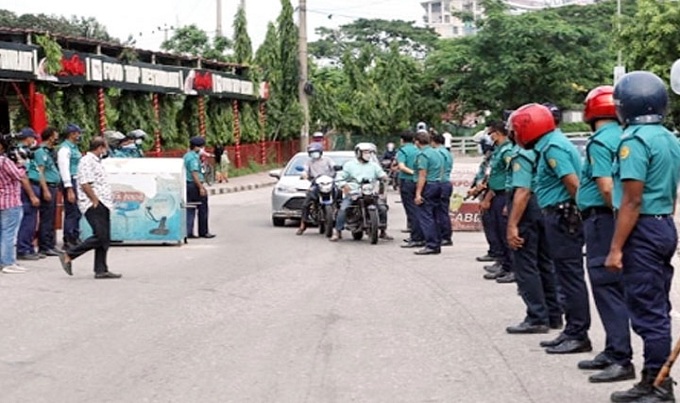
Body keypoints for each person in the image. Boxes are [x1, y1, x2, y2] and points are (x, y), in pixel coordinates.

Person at [605, 71, 680, 402]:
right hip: (663, 224)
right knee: (657, 306)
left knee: (648, 310)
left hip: (643, 229)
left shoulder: (634, 141)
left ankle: (657, 384)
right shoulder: (669, 137)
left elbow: (632, 200)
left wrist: (616, 248)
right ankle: (655, 378)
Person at [511, 103, 592, 355]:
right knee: (562, 274)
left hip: (562, 214)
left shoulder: (553, 147)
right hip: (557, 214)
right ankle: (571, 329)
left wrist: (581, 217)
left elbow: (572, 183)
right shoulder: (549, 144)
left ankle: (578, 333)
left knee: (570, 276)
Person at [575, 85, 634, 384]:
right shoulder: (625, 134)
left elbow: (607, 186)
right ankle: (613, 348)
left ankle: (620, 355)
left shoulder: (600, 141)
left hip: (601, 220)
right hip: (614, 219)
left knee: (606, 287)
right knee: (615, 287)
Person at [505, 123, 562, 335]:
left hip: (527, 212)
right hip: (542, 208)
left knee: (526, 265)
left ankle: (537, 316)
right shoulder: (539, 150)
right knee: (545, 263)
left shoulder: (521, 153)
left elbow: (522, 190)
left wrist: (512, 225)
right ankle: (553, 314)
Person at [57, 137, 120, 279]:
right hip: (94, 203)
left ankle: (101, 269)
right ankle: (69, 255)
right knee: (100, 236)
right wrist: (94, 199)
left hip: (104, 202)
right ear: (100, 147)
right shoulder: (86, 161)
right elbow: (85, 183)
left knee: (105, 237)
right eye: (105, 147)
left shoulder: (97, 161)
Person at [331, 142, 392, 242]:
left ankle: (383, 231)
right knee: (343, 209)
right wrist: (344, 185)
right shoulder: (349, 165)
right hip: (354, 192)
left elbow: (381, 174)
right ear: (358, 153)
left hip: (370, 191)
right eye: (365, 152)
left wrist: (385, 177)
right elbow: (340, 176)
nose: (368, 154)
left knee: (382, 208)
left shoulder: (374, 165)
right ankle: (337, 231)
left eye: (369, 152)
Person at [0, 133, 39, 274]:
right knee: (9, 234)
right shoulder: (4, 161)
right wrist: (22, 164)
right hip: (10, 201)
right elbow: (19, 176)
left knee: (2, 233)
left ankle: (3, 260)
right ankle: (8, 262)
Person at [481, 122, 514, 282]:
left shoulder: (507, 150)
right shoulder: (499, 150)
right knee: (498, 231)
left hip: (503, 194)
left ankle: (512, 267)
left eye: (491, 133)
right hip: (496, 193)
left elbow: (511, 174)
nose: (490, 137)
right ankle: (503, 263)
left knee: (504, 231)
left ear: (498, 133)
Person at [32, 127, 62, 257]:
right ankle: (44, 246)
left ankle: (50, 244)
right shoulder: (40, 152)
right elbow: (41, 172)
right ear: (50, 136)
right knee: (46, 217)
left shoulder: (50, 152)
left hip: (54, 186)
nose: (57, 138)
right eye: (55, 135)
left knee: (51, 217)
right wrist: (45, 190)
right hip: (48, 187)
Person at [14, 128, 44, 260]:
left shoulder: (26, 151)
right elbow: (23, 176)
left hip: (32, 185)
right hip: (28, 187)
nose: (34, 140)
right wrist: (32, 195)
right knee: (28, 219)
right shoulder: (20, 152)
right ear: (28, 138)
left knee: (31, 220)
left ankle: (29, 247)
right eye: (33, 138)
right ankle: (24, 249)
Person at [413, 131, 444, 255]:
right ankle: (437, 242)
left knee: (426, 216)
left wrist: (418, 193)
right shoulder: (437, 153)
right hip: (438, 184)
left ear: (417, 141)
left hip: (428, 185)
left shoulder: (423, 155)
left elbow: (422, 175)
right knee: (435, 216)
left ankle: (431, 244)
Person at [297, 142, 336, 235]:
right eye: (312, 152)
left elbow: (333, 166)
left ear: (321, 152)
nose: (314, 154)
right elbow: (305, 170)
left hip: (329, 183)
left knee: (340, 197)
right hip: (316, 184)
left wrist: (336, 168)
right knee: (306, 204)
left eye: (316, 152)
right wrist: (304, 174)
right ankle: (303, 224)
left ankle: (340, 225)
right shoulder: (309, 162)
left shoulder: (327, 160)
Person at [397, 132, 425, 249]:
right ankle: (421, 235)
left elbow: (401, 166)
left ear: (402, 140)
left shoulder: (402, 151)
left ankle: (416, 238)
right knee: (420, 209)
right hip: (420, 182)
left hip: (407, 181)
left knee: (411, 211)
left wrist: (413, 173)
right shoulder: (418, 150)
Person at [184, 136, 215, 239]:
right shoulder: (193, 158)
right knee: (203, 208)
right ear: (197, 147)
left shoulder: (187, 156)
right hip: (194, 185)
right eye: (202, 147)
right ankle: (203, 231)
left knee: (190, 208)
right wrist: (201, 187)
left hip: (187, 185)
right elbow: (194, 173)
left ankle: (188, 231)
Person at [58, 123, 83, 249]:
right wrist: (69, 188)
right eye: (78, 133)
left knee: (77, 211)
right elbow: (64, 168)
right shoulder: (64, 149)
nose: (79, 135)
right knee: (71, 211)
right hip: (70, 181)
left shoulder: (73, 147)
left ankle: (75, 235)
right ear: (72, 134)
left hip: (76, 180)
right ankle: (69, 239)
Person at [432, 133, 453, 246]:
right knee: (444, 210)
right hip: (446, 181)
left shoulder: (437, 153)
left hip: (440, 182)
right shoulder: (447, 153)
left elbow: (438, 168)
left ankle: (444, 236)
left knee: (439, 211)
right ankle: (446, 235)